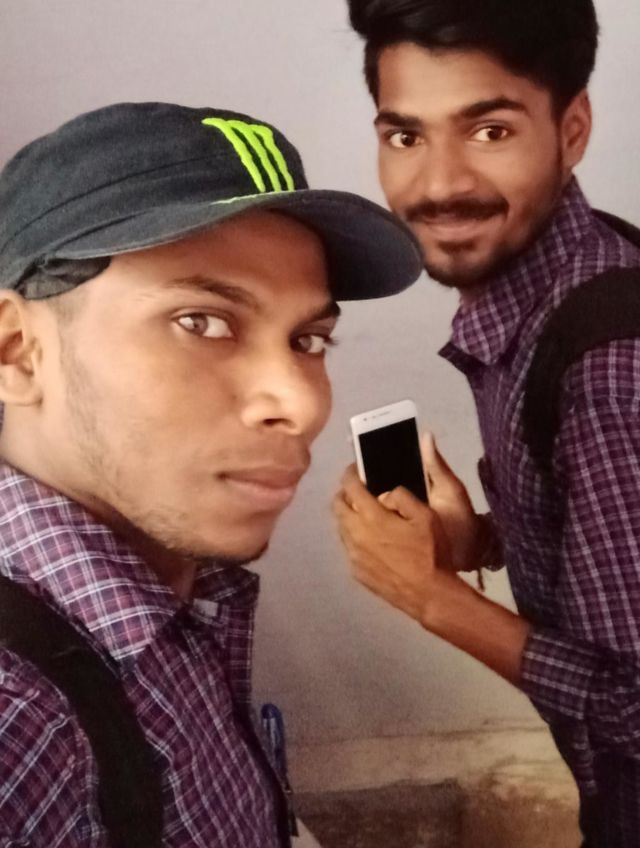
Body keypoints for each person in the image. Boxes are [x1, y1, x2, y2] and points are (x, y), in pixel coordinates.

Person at [0, 101, 422, 847]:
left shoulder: (185, 585)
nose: (301, 404)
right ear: (17, 352)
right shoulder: (21, 727)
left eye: (308, 339)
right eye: (201, 322)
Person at [335, 1, 640, 845]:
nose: (439, 184)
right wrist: (480, 539)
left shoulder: (609, 372)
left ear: (571, 129)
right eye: (406, 136)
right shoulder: (577, 266)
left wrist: (432, 598)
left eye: (490, 130)